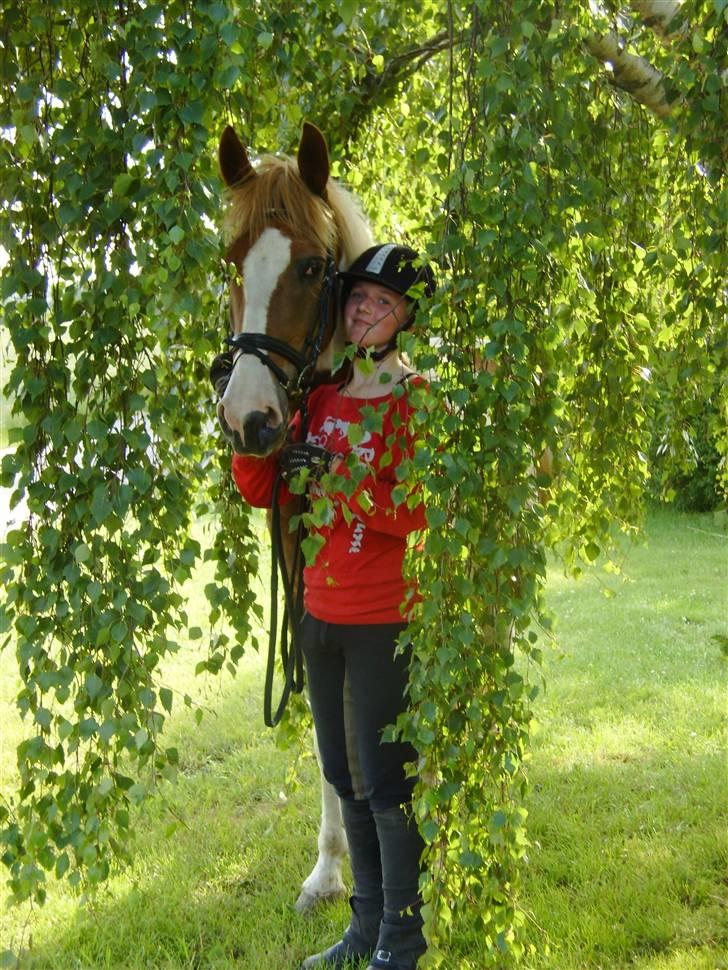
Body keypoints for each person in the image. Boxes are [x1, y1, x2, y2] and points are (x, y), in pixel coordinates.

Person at [230, 244, 435, 970]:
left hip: (383, 620)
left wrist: (344, 481)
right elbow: (263, 492)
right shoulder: (318, 398)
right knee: (345, 779)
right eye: (358, 299)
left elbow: (416, 514)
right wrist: (254, 440)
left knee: (385, 784)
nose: (365, 311)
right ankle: (364, 929)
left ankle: (402, 943)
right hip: (320, 616)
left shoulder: (415, 400)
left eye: (383, 303)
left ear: (407, 318)